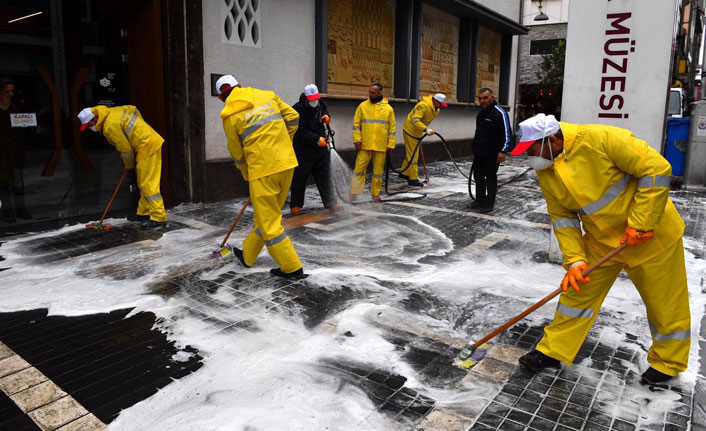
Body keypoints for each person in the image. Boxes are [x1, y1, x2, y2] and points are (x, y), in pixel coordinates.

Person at [511, 114, 690, 387]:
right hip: (602, 241)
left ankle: (668, 362)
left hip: (652, 236)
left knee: (665, 303)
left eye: (532, 150)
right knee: (576, 293)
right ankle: (552, 351)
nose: (530, 158)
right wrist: (574, 261)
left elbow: (656, 169)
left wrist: (642, 223)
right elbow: (562, 216)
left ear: (552, 140)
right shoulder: (546, 169)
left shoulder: (600, 139)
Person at [216, 74, 306, 280]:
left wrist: (249, 174)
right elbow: (293, 117)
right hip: (287, 163)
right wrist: (285, 141)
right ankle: (247, 255)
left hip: (262, 170)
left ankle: (292, 268)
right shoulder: (267, 95)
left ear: (221, 98)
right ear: (239, 85)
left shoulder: (229, 116)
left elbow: (237, 153)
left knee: (270, 223)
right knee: (267, 217)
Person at [78, 105, 167, 227]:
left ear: (95, 119)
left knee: (148, 183)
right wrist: (140, 128)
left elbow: (126, 150)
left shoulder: (109, 127)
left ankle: (159, 217)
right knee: (142, 182)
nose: (90, 128)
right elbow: (134, 109)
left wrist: (128, 164)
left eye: (89, 125)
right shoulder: (113, 111)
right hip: (146, 143)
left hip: (147, 146)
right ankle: (144, 212)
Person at [289, 84, 342, 214]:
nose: (314, 101)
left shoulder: (320, 103)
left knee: (324, 176)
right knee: (300, 178)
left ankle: (331, 203)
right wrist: (316, 139)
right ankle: (296, 205)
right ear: (306, 97)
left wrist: (327, 116)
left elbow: (325, 112)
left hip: (321, 149)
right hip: (304, 150)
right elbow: (299, 130)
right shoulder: (298, 108)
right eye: (311, 99)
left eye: (316, 98)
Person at [349, 82, 396, 202]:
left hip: (381, 145)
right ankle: (354, 193)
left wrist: (390, 144)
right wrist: (357, 139)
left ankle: (375, 193)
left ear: (380, 93)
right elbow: (356, 125)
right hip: (365, 144)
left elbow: (392, 128)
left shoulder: (388, 109)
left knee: (378, 171)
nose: (370, 94)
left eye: (372, 92)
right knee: (359, 169)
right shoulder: (362, 106)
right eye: (369, 92)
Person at [472, 88, 511, 213]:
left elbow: (506, 133)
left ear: (491, 98)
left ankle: (489, 203)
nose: (482, 101)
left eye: (485, 98)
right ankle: (480, 200)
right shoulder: (481, 114)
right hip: (479, 153)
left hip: (493, 153)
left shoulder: (499, 113)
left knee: (490, 178)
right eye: (480, 98)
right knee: (478, 177)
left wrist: (503, 151)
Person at [399, 93, 447, 187]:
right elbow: (414, 120)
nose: (441, 106)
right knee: (413, 156)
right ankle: (413, 179)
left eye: (442, 104)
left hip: (417, 132)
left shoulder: (435, 109)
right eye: (440, 103)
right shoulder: (423, 106)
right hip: (410, 131)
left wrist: (424, 130)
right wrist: (426, 129)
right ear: (434, 100)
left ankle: (404, 173)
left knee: (411, 153)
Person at [0, 78, 31, 223]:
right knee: (3, 183)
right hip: (2, 152)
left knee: (16, 182)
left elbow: (20, 128)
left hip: (13, 151)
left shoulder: (14, 108)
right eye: (7, 91)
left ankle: (20, 209)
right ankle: (7, 212)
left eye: (12, 91)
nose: (10, 94)